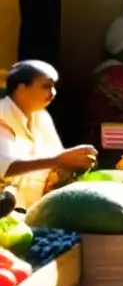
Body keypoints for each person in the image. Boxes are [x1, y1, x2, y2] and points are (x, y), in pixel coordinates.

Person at [0, 61, 97, 209]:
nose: (53, 93)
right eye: (46, 86)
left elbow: (54, 165)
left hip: (32, 213)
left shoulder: (42, 118)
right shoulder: (2, 115)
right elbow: (5, 167)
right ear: (21, 88)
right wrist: (59, 160)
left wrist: (74, 163)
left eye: (54, 87)